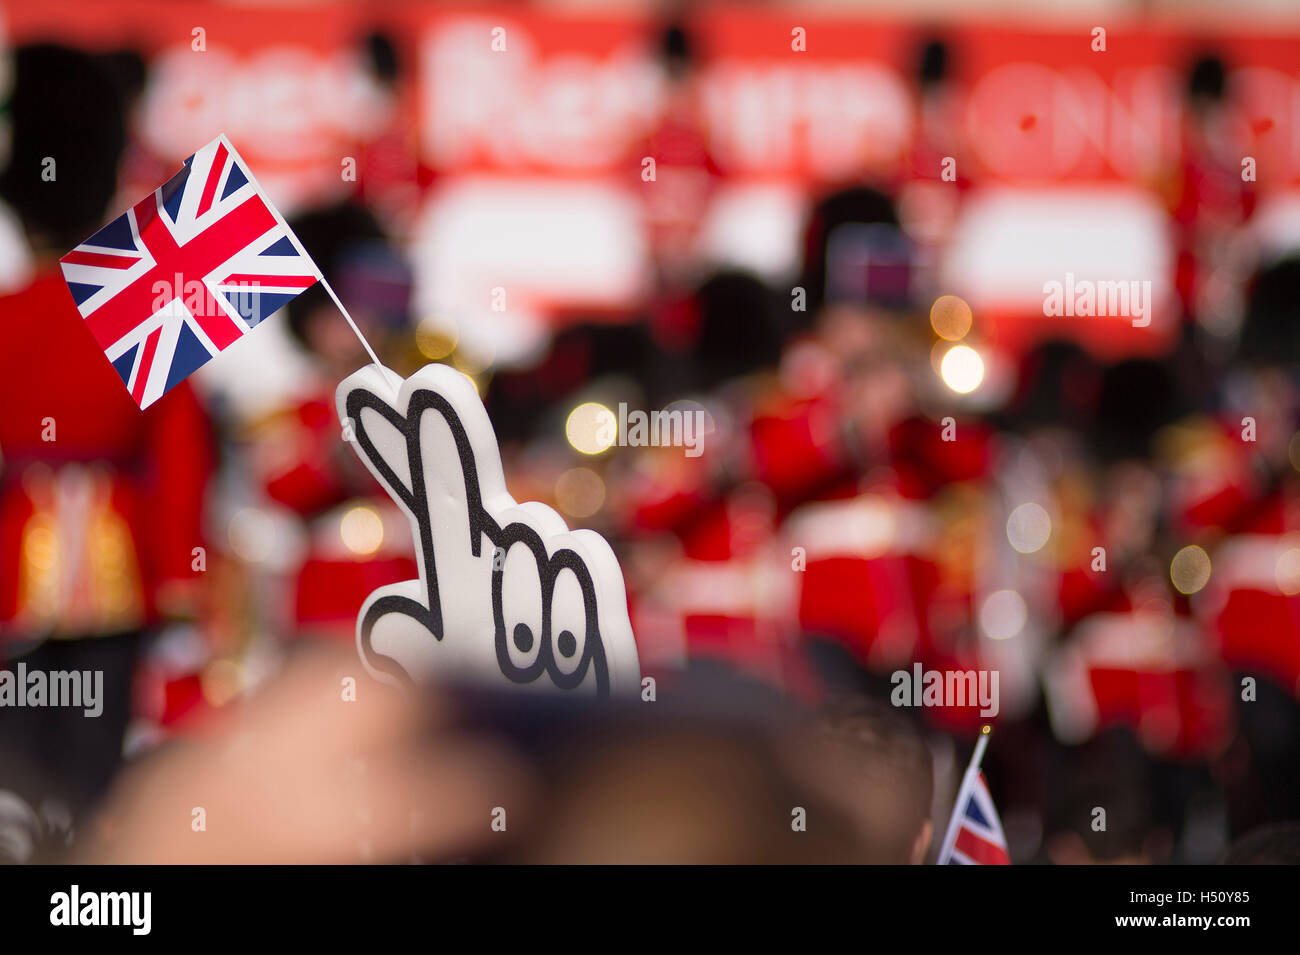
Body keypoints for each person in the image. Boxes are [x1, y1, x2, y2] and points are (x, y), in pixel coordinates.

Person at [0, 44, 214, 818]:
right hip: (121, 562)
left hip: (11, 562)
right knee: (96, 766)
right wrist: (185, 575)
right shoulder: (141, 313)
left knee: (16, 759)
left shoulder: (8, 313)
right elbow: (181, 451)